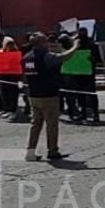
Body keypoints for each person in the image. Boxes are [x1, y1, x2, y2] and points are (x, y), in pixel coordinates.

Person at [22, 32, 80, 161]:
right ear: (42, 43)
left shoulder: (26, 57)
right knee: (52, 124)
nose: (48, 43)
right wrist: (75, 46)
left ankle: (30, 152)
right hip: (49, 95)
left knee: (35, 125)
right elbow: (63, 57)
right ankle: (53, 151)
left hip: (33, 95)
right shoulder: (46, 56)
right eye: (46, 41)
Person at [73, 27, 102, 124]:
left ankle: (95, 114)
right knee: (79, 95)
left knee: (91, 94)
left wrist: (92, 58)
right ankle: (83, 114)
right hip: (78, 72)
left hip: (89, 72)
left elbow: (98, 58)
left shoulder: (92, 44)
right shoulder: (75, 43)